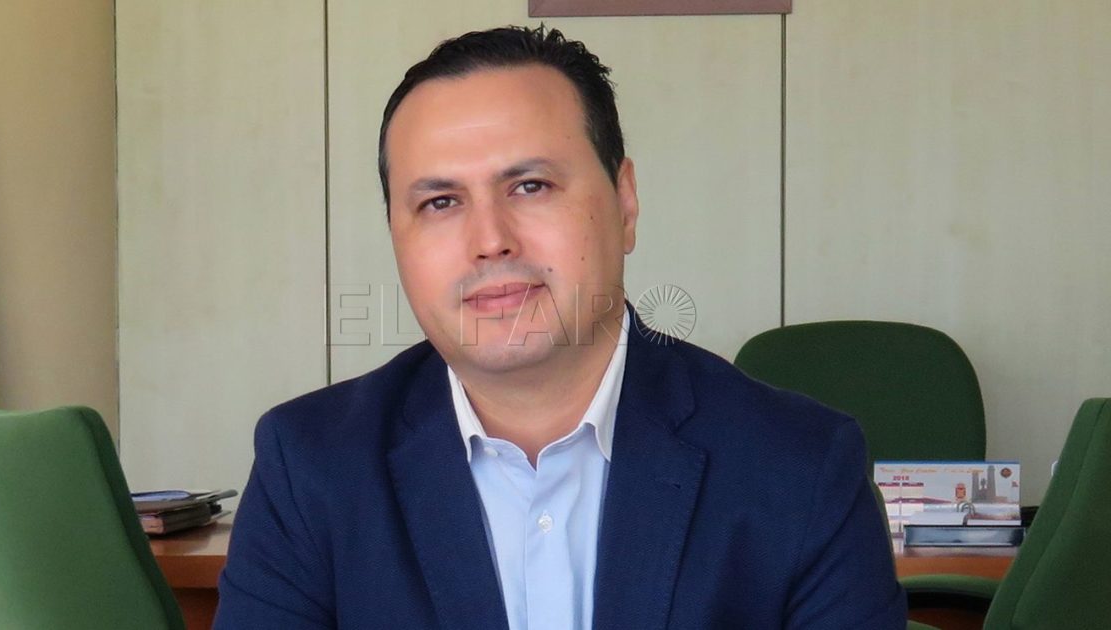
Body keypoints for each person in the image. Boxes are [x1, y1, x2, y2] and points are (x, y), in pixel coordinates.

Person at [215, 25, 906, 629]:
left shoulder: (801, 467)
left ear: (625, 203)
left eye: (530, 186)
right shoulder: (311, 467)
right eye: (441, 202)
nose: (490, 240)